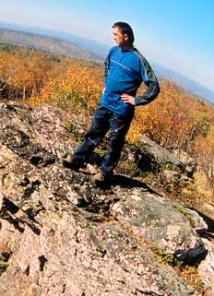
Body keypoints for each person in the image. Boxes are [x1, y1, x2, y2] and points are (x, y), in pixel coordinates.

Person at [63, 22, 159, 183]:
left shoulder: (138, 60)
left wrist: (136, 100)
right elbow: (107, 67)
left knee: (115, 142)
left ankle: (105, 172)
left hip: (121, 109)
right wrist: (106, 84)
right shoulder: (113, 51)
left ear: (126, 36)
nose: (113, 38)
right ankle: (77, 159)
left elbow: (154, 86)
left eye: (116, 35)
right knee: (93, 134)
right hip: (105, 103)